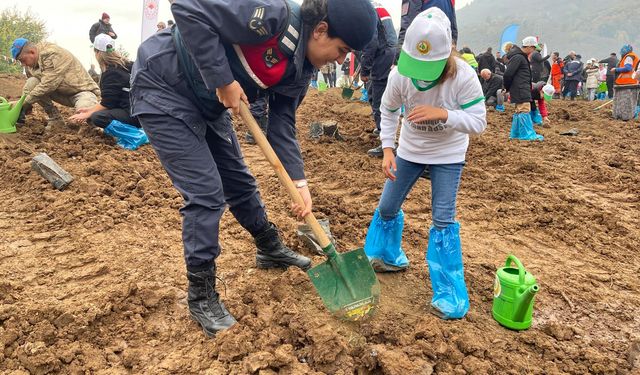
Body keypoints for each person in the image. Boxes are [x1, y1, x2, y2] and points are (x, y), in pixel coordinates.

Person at [129, 0, 378, 337]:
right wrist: (222, 79)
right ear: (320, 30)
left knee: (239, 181)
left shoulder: (301, 70)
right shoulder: (271, 15)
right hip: (164, 85)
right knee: (206, 194)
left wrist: (299, 182)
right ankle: (201, 296)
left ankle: (268, 246)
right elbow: (188, 8)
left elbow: (282, 124)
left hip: (210, 103)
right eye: (341, 49)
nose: (340, 59)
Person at [364, 8, 486, 320]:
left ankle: (448, 293)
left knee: (443, 219)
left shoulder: (463, 76)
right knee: (387, 206)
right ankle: (386, 257)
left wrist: (443, 114)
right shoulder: (399, 74)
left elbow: (478, 122)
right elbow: (388, 109)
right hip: (408, 150)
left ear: (446, 58)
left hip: (448, 155)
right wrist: (388, 148)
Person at [10, 38, 100, 125]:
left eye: (22, 60)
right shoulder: (30, 64)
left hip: (82, 92)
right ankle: (55, 119)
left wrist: (22, 103)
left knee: (84, 118)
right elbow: (30, 88)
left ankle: (98, 129)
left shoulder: (50, 53)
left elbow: (48, 84)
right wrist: (23, 108)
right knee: (32, 82)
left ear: (32, 52)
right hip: (61, 93)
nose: (23, 64)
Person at [68, 34, 139, 129]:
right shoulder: (126, 65)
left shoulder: (111, 72)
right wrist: (90, 109)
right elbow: (111, 101)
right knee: (96, 113)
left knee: (97, 118)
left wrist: (88, 114)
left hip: (133, 114)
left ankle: (137, 135)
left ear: (97, 52)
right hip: (141, 110)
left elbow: (108, 103)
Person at [361, 3, 397, 157]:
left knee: (379, 101)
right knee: (373, 92)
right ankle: (381, 127)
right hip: (391, 52)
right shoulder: (378, 7)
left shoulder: (367, 11)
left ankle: (387, 143)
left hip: (382, 56)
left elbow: (372, 42)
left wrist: (365, 69)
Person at [503, 36, 542, 141]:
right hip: (521, 88)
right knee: (524, 110)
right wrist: (506, 87)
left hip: (520, 87)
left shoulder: (519, 57)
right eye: (533, 48)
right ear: (529, 46)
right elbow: (507, 74)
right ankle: (526, 135)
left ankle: (516, 133)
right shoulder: (519, 57)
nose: (534, 50)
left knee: (519, 111)